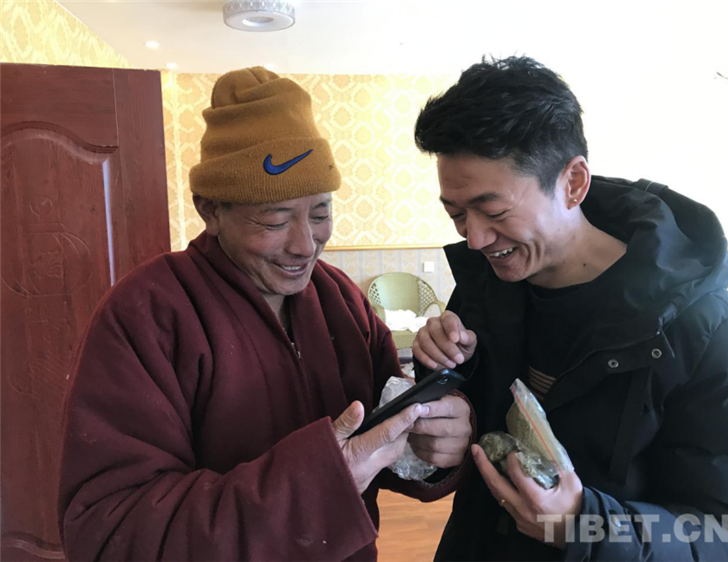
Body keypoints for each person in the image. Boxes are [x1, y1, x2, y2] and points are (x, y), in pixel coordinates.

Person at [58, 67, 472, 561]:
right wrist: (316, 484)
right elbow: (109, 530)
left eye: (320, 213)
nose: (305, 245)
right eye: (275, 219)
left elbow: (384, 441)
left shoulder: (342, 300)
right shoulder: (146, 314)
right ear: (210, 211)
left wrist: (432, 446)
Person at [412, 55, 728, 561]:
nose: (475, 238)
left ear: (572, 182)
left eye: (493, 210)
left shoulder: (711, 332)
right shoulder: (486, 286)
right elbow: (474, 427)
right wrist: (443, 400)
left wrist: (583, 525)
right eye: (457, 214)